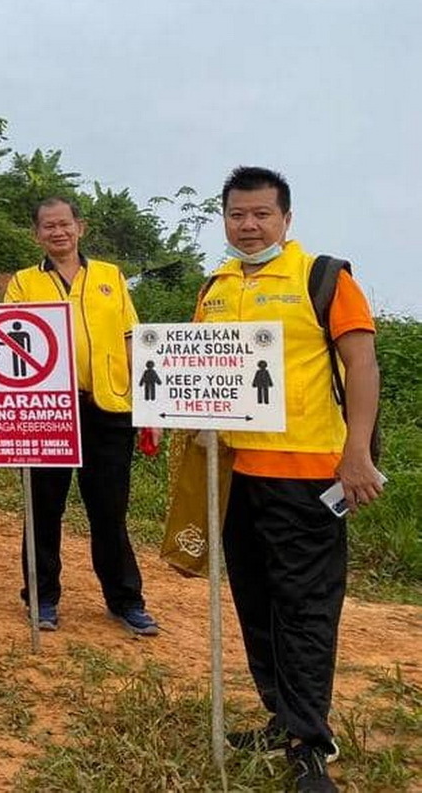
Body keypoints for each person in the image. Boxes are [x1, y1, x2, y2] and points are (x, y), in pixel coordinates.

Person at [195, 167, 380, 792]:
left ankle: (309, 743)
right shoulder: (215, 287)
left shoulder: (323, 278)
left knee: (304, 610)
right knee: (256, 603)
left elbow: (361, 365)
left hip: (307, 478)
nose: (248, 226)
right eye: (237, 215)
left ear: (286, 219)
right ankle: (281, 716)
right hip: (236, 477)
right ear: (224, 219)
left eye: (261, 214)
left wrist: (357, 453)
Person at [3, 197, 158, 636]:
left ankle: (125, 600)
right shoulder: (23, 283)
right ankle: (42, 598)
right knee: (43, 508)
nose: (58, 232)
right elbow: (6, 340)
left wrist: (148, 406)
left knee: (110, 511)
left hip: (109, 408)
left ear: (80, 228)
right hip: (48, 412)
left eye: (64, 224)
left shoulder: (110, 277)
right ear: (36, 234)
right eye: (48, 226)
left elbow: (131, 340)